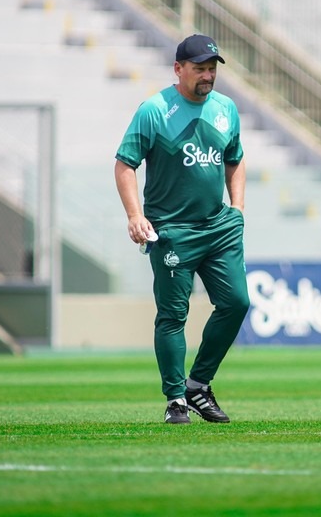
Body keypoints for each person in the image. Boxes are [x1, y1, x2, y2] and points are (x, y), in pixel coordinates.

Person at [114, 33, 250, 425]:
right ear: (178, 69)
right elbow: (125, 164)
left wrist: (237, 209)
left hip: (219, 226)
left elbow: (235, 159)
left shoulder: (226, 109)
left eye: (212, 69)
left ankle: (198, 385)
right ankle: (175, 398)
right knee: (173, 314)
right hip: (172, 229)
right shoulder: (155, 110)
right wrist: (134, 215)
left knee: (236, 302)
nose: (208, 76)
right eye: (200, 69)